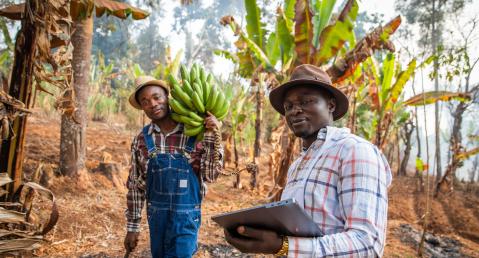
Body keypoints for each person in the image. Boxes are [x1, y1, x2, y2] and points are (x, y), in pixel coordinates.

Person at [224, 64, 392, 257]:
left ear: (331, 105)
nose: (295, 111)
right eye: (289, 106)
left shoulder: (354, 151)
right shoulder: (298, 165)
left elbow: (368, 244)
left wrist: (283, 246)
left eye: (306, 101)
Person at [123, 75, 223, 257]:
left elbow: (210, 176)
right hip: (157, 219)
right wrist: (132, 227)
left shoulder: (196, 132)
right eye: (145, 101)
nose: (152, 104)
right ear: (142, 108)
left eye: (156, 97)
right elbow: (136, 186)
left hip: (186, 218)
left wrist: (211, 135)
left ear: (168, 97)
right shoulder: (142, 140)